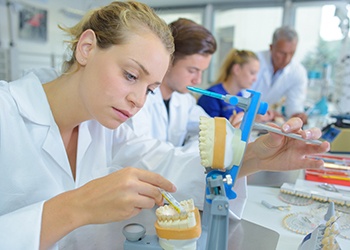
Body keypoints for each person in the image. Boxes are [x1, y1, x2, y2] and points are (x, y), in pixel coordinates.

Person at [0, 2, 329, 249]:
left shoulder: (107, 127)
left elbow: (166, 163)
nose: (138, 101)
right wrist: (77, 206)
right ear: (87, 48)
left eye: (150, 89)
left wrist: (254, 156)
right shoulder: (6, 114)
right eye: (130, 75)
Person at [126, 18, 215, 149]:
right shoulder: (139, 98)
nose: (198, 80)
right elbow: (144, 154)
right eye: (192, 70)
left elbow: (210, 132)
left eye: (202, 71)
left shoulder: (185, 100)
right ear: (168, 61)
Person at [197, 49, 272, 126]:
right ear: (237, 69)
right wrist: (249, 119)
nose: (255, 79)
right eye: (252, 73)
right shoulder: (211, 97)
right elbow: (211, 131)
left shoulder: (240, 96)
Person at [251, 26, 308, 124]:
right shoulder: (253, 61)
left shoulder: (298, 72)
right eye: (282, 53)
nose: (287, 59)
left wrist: (297, 115)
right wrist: (268, 113)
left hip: (262, 122)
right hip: (239, 117)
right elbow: (241, 96)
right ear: (271, 47)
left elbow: (294, 105)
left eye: (292, 53)